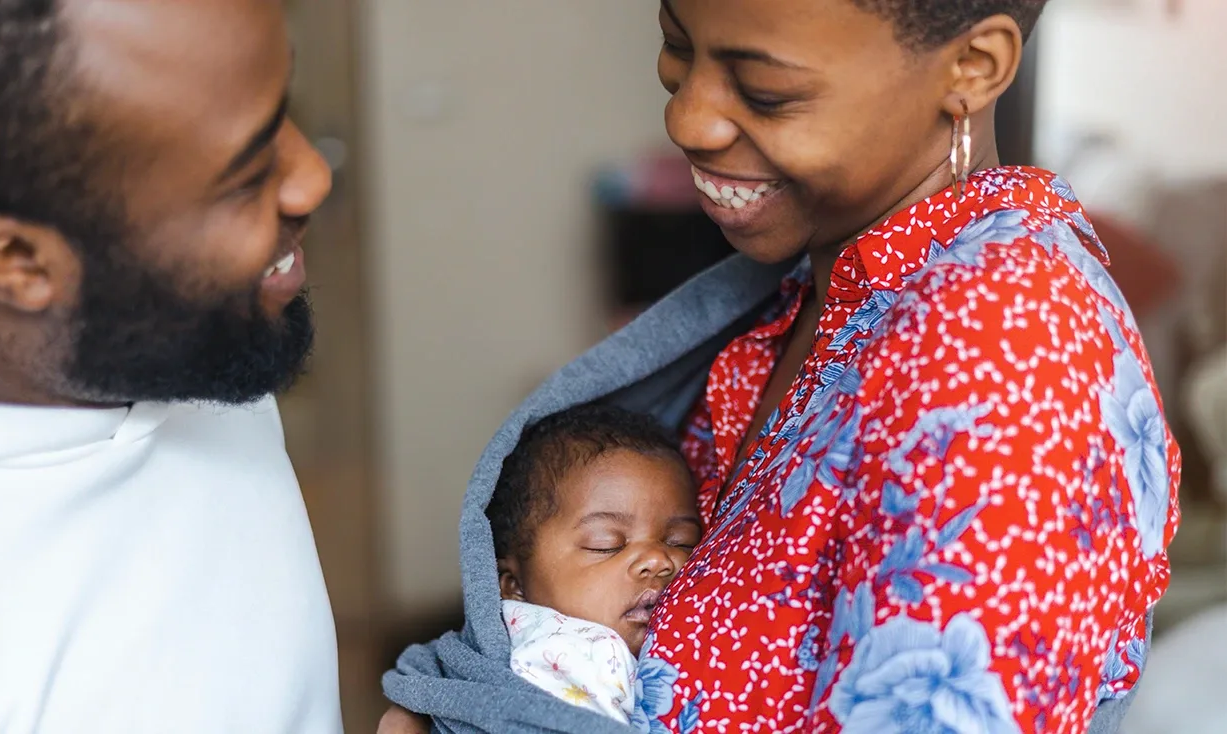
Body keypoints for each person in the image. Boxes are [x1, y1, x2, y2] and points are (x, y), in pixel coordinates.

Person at [382, 1, 1181, 732]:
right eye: (676, 48)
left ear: (972, 69)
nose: (687, 119)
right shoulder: (812, 294)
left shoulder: (1007, 348)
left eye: (764, 90)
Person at [0, 1, 341, 732]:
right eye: (243, 177)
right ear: (17, 264)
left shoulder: (169, 336)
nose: (312, 178)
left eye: (282, 109)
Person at [487, 405, 701, 724]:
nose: (657, 560)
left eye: (680, 541)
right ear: (514, 586)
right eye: (607, 544)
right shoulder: (569, 657)